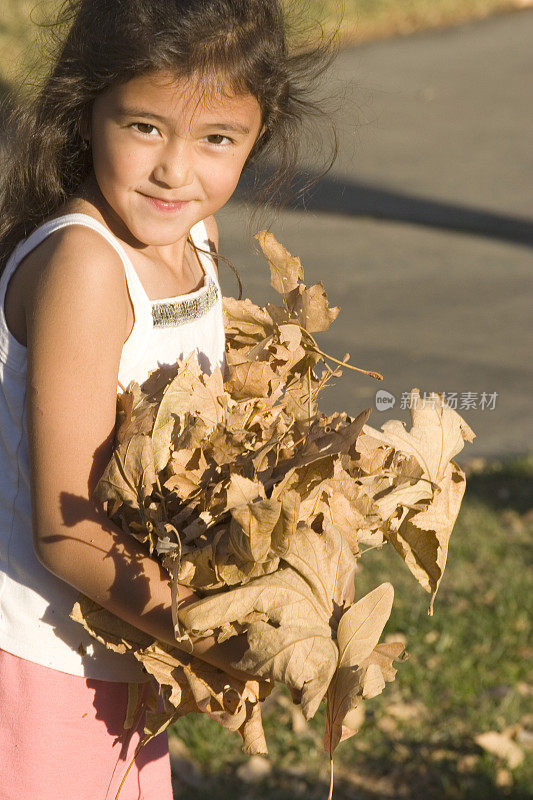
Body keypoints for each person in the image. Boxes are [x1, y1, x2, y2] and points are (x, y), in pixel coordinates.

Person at [0, 0, 337, 797]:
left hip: (128, 637)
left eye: (216, 139)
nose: (174, 171)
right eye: (145, 127)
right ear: (88, 112)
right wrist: (228, 636)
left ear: (258, 135)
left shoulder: (194, 241)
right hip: (39, 652)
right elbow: (65, 531)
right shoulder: (86, 267)